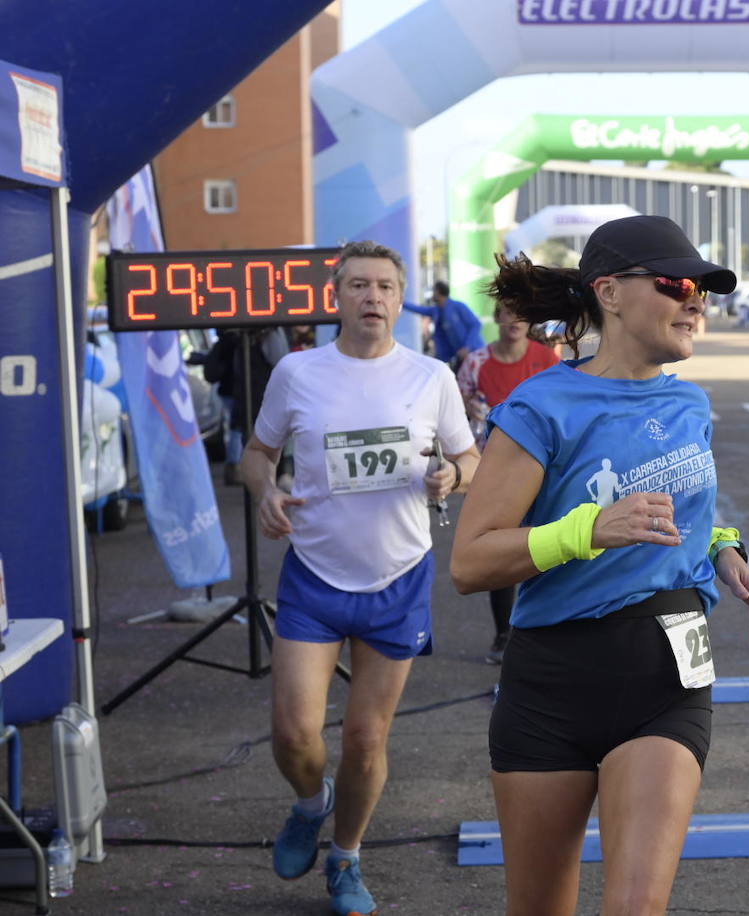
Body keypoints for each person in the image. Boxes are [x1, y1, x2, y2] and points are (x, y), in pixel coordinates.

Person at [448, 214, 749, 916]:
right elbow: (470, 561)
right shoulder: (541, 405)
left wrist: (722, 548)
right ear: (610, 292)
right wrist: (586, 530)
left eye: (703, 292)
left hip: (666, 680)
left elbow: (683, 511)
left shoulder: (689, 401)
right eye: (678, 285)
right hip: (552, 685)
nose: (695, 304)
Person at [241, 240, 480, 916]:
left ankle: (345, 857)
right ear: (336, 297)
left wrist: (453, 474)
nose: (372, 296)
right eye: (358, 285)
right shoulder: (297, 372)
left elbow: (472, 460)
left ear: (400, 301)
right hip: (314, 575)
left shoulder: (430, 376)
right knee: (295, 734)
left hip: (397, 578)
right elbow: (257, 452)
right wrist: (266, 491)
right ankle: (309, 803)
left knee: (366, 738)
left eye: (385, 286)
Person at [456, 263, 562, 665]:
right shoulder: (476, 362)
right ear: (497, 318)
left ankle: (541, 629)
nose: (514, 320)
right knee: (500, 552)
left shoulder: (547, 360)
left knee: (543, 547)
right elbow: (458, 408)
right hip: (494, 471)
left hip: (543, 470)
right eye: (507, 312)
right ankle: (503, 634)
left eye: (522, 313)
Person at [202, 327, 289, 486]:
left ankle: (239, 468)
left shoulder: (232, 337)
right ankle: (264, 476)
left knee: (241, 434)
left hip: (239, 393)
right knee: (262, 435)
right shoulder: (269, 335)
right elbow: (280, 362)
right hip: (256, 394)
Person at [403, 280, 486, 371]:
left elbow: (476, 324)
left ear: (438, 292)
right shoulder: (436, 310)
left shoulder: (458, 306)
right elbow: (418, 309)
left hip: (475, 354)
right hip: (460, 358)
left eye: (433, 291)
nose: (432, 294)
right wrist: (401, 302)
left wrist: (467, 347)